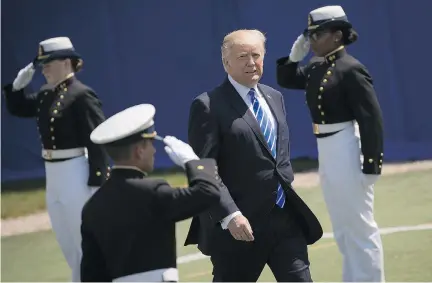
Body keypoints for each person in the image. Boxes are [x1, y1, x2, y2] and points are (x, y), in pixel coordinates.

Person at [184, 29, 323, 282]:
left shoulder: (275, 97)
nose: (251, 62)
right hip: (239, 227)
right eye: (242, 56)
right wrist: (230, 215)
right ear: (226, 63)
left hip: (285, 219)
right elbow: (202, 168)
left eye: (256, 55)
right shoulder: (208, 105)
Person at [275, 5, 385, 282]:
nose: (311, 41)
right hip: (327, 148)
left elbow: (371, 119)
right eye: (309, 35)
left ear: (337, 36)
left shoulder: (351, 69)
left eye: (317, 35)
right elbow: (288, 80)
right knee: (342, 225)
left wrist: (371, 163)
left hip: (346, 145)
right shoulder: (315, 66)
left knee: (359, 226)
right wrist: (292, 58)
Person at [2, 37, 110, 281]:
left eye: (49, 62)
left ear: (66, 62)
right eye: (42, 64)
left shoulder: (81, 95)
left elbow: (97, 138)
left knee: (85, 240)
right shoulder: (45, 94)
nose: (44, 68)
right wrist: (17, 87)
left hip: (76, 173)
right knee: (66, 240)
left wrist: (97, 180)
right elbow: (18, 108)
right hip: (54, 175)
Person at [80, 103, 221, 282]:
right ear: (139, 151)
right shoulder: (153, 192)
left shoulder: (92, 206)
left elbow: (91, 274)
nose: (154, 151)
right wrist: (193, 162)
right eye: (151, 144)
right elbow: (208, 192)